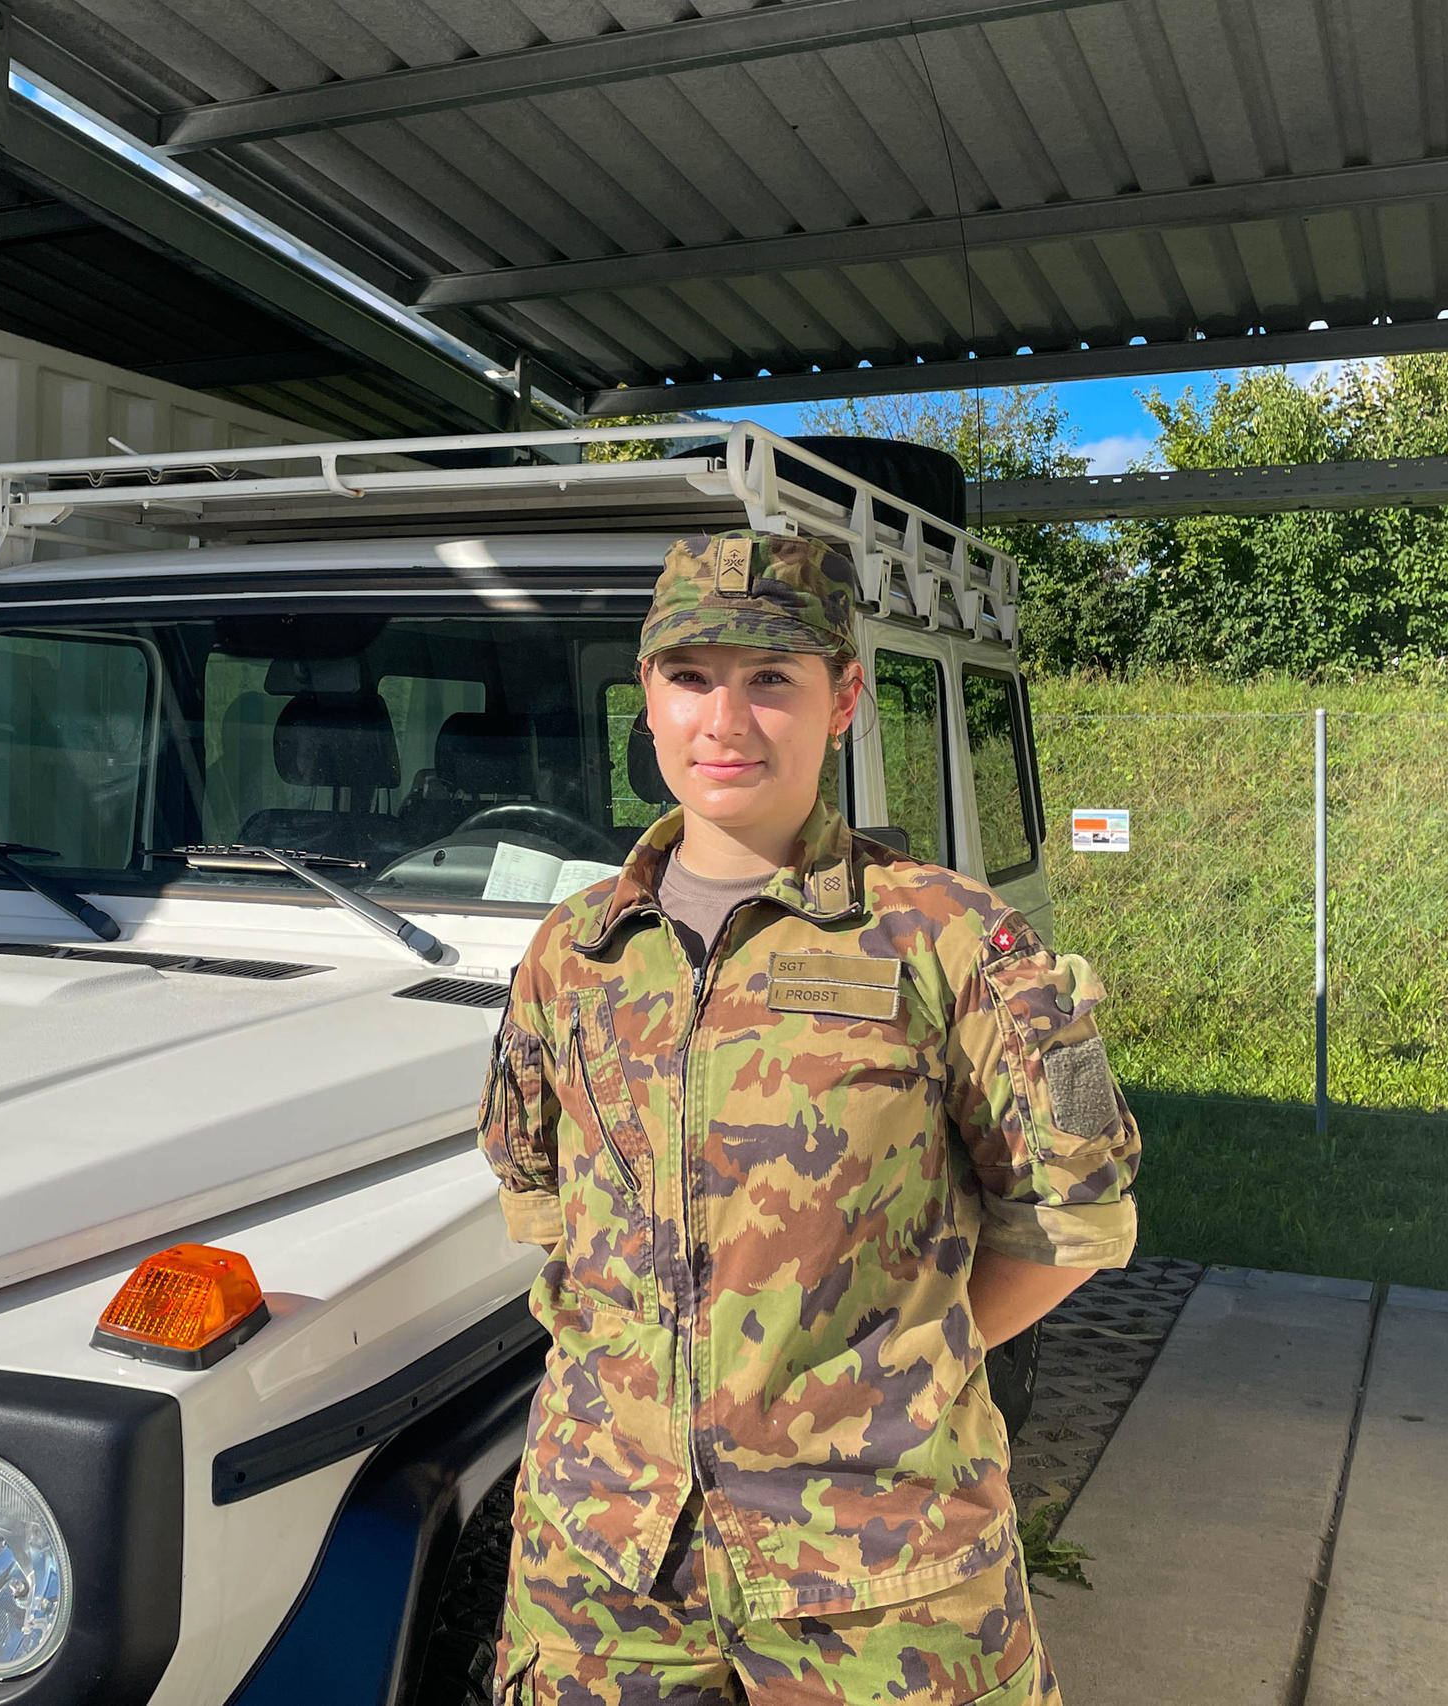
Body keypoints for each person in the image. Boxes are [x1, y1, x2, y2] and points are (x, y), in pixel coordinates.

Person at [479, 530, 1141, 1705]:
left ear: (841, 700)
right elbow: (543, 1213)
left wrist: (891, 1373)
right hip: (603, 1560)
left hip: (880, 1566)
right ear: (647, 698)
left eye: (770, 679)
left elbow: (1070, 1223)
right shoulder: (571, 952)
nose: (725, 720)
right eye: (692, 677)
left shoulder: (947, 937)